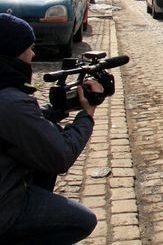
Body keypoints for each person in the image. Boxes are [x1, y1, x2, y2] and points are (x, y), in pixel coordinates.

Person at [0, 13, 103, 243]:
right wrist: (87, 114)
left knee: (40, 160)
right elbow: (61, 155)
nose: (33, 54)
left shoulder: (7, 94)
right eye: (29, 47)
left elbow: (22, 125)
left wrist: (54, 110)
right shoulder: (10, 102)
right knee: (83, 220)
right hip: (4, 207)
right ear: (13, 52)